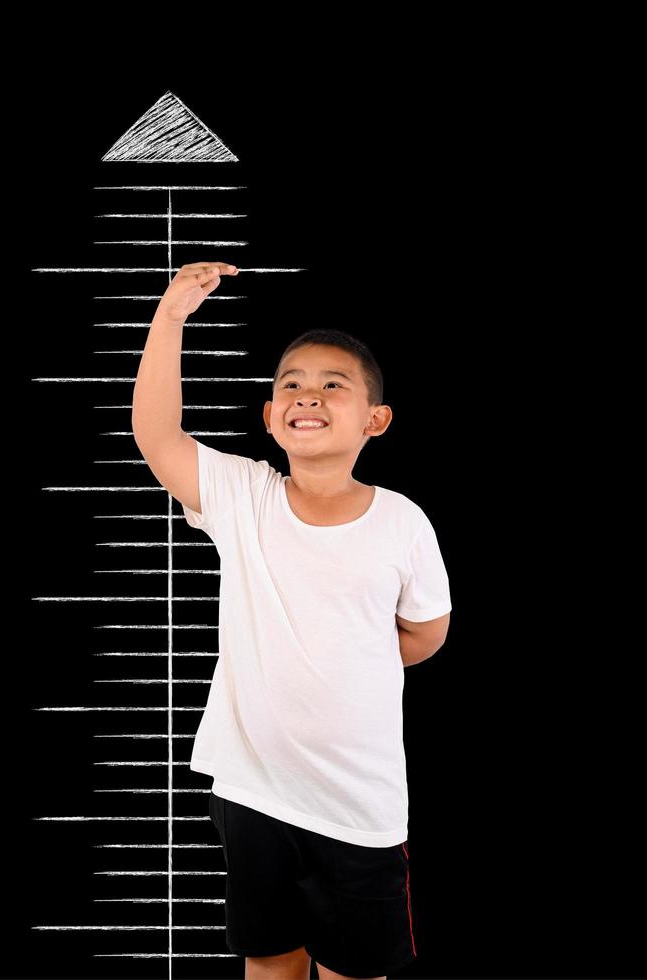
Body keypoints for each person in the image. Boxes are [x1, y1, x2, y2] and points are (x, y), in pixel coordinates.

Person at [132, 262, 451, 979]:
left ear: (375, 419)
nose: (308, 395)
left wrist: (352, 660)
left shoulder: (402, 522)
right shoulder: (244, 496)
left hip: (355, 809)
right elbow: (157, 436)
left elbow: (427, 632)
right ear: (272, 417)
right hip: (252, 794)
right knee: (270, 963)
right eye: (291, 385)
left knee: (353, 971)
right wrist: (171, 317)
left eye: (332, 384)